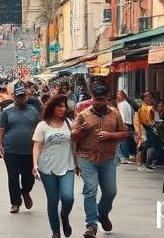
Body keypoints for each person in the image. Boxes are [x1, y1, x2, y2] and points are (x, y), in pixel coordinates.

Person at [70, 84, 127, 238]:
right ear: (92, 98)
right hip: (86, 158)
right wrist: (81, 131)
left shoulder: (115, 114)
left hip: (108, 158)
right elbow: (73, 138)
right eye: (96, 99)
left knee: (110, 191)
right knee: (90, 189)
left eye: (102, 99)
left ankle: (102, 213)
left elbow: (124, 134)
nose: (99, 102)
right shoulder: (83, 115)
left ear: (107, 98)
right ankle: (91, 225)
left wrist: (111, 136)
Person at [33, 94, 78, 238]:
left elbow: (75, 144)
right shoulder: (43, 125)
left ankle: (64, 216)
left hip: (67, 166)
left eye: (64, 106)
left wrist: (77, 163)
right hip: (47, 168)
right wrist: (34, 164)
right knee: (52, 200)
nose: (62, 109)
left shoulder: (70, 123)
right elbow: (37, 145)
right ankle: (55, 231)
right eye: (59, 106)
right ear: (52, 108)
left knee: (68, 197)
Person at [0, 84, 40, 214]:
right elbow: (0, 129)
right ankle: (15, 203)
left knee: (29, 178)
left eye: (23, 96)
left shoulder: (33, 111)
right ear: (14, 97)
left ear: (26, 97)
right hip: (11, 150)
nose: (21, 99)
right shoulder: (7, 112)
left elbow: (38, 128)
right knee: (13, 177)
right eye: (18, 96)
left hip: (29, 151)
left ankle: (25, 191)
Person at [116, 90, 136, 164]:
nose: (116, 96)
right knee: (123, 141)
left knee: (122, 141)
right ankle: (124, 156)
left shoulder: (122, 104)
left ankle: (124, 157)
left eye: (118, 94)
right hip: (128, 124)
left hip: (124, 124)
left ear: (121, 96)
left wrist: (122, 125)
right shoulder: (126, 104)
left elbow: (122, 116)